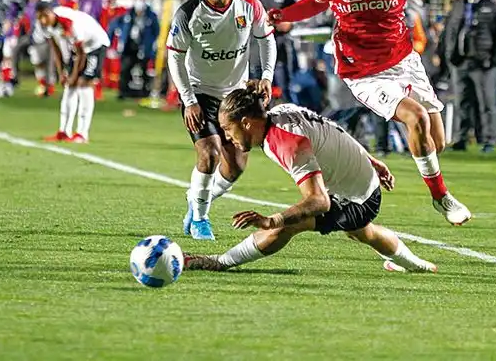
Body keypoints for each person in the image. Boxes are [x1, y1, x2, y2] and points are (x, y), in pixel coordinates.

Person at [268, 0, 496, 226]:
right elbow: (317, 2)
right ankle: (441, 197)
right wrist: (285, 15)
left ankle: (425, 175)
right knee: (415, 118)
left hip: (403, 60)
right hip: (363, 71)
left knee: (436, 142)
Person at [183, 88, 437, 274]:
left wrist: (273, 220)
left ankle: (219, 261)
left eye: (228, 129)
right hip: (360, 184)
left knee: (286, 226)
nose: (228, 138)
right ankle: (416, 265)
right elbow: (331, 130)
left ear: (246, 123)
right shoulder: (284, 110)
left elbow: (319, 201)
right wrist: (369, 160)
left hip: (355, 197)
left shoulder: (287, 144)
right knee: (363, 232)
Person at [166, 0, 277, 240]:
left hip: (235, 95)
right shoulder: (188, 13)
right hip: (200, 91)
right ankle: (201, 220)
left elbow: (267, 40)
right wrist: (189, 101)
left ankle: (197, 201)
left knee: (236, 166)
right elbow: (174, 58)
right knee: (209, 153)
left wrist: (265, 76)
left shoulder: (250, 6)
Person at [445, 0, 496, 154]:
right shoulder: (460, 5)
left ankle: (489, 140)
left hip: (483, 63)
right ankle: (461, 138)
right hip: (461, 62)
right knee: (461, 102)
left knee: (487, 103)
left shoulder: (493, 6)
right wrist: (449, 55)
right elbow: (450, 31)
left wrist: (493, 59)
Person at [36, 2, 111, 143]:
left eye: (45, 16)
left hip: (95, 44)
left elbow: (81, 54)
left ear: (51, 12)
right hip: (77, 48)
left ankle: (82, 134)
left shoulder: (72, 24)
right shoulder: (46, 26)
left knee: (84, 84)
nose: (43, 21)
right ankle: (64, 131)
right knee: (69, 86)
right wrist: (61, 73)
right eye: (40, 17)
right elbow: (56, 49)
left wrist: (74, 76)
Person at [245, 0, 297, 100]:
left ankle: (287, 121)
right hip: (256, 51)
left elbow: (296, 12)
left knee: (284, 91)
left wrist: (289, 23)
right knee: (256, 93)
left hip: (280, 51)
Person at [107, 0, 160, 100]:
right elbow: (114, 25)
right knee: (125, 69)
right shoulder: (128, 14)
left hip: (143, 47)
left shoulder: (151, 16)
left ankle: (145, 93)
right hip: (129, 46)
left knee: (144, 70)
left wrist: (152, 45)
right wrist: (113, 41)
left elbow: (156, 31)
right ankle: (123, 91)